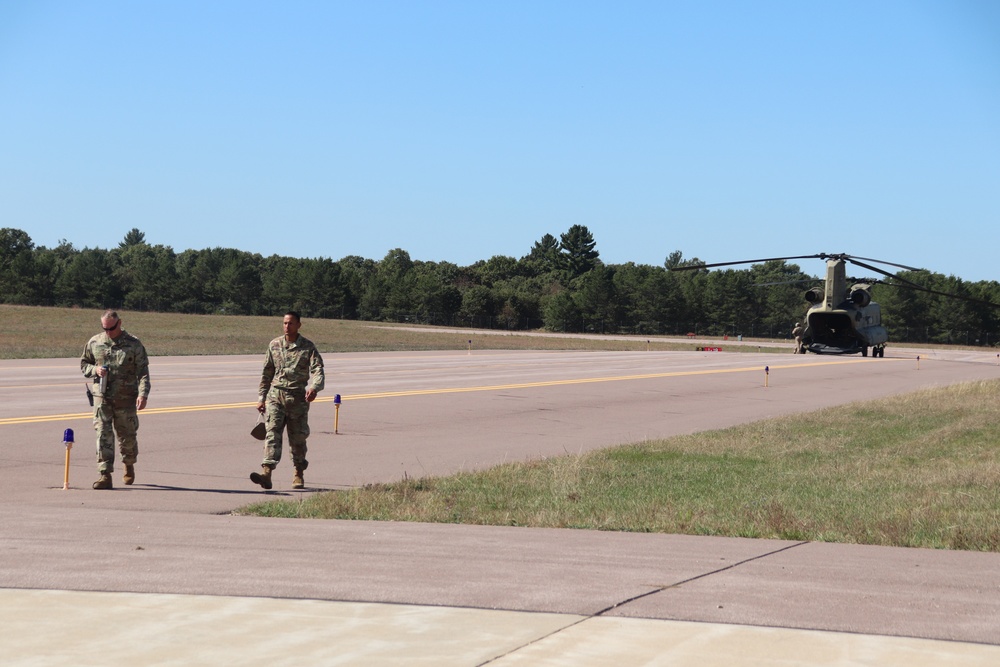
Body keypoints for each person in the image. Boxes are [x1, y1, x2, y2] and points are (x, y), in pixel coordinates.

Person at [251, 311, 325, 490]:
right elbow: (267, 373)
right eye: (284, 323)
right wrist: (261, 398)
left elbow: (318, 370)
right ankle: (266, 473)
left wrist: (314, 388)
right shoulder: (274, 345)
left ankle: (298, 473)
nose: (287, 326)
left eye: (291, 323)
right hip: (276, 397)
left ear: (299, 325)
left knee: (298, 438)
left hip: (297, 399)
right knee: (272, 434)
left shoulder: (308, 347)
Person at [80, 310, 151, 490]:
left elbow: (143, 372)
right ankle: (105, 475)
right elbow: (84, 364)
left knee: (127, 436)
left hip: (126, 399)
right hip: (101, 398)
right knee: (103, 435)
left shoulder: (134, 344)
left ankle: (128, 463)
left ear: (119, 323)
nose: (108, 332)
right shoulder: (95, 342)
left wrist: (143, 394)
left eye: (111, 328)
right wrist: (94, 370)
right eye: (105, 328)